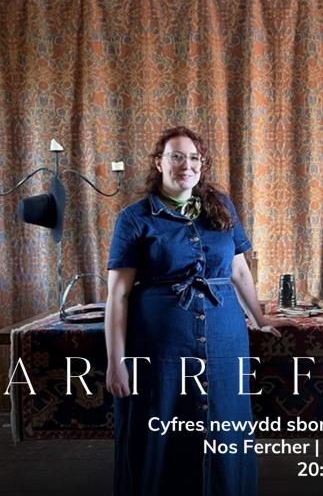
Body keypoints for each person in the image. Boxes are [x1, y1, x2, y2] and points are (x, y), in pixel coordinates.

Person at [104, 126, 292, 496]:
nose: (185, 165)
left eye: (193, 158)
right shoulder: (135, 218)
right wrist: (116, 361)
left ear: (202, 164)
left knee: (224, 422)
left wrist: (260, 318)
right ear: (159, 163)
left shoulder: (221, 206)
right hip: (160, 345)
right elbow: (118, 294)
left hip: (224, 337)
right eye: (176, 156)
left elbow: (238, 270)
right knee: (164, 425)